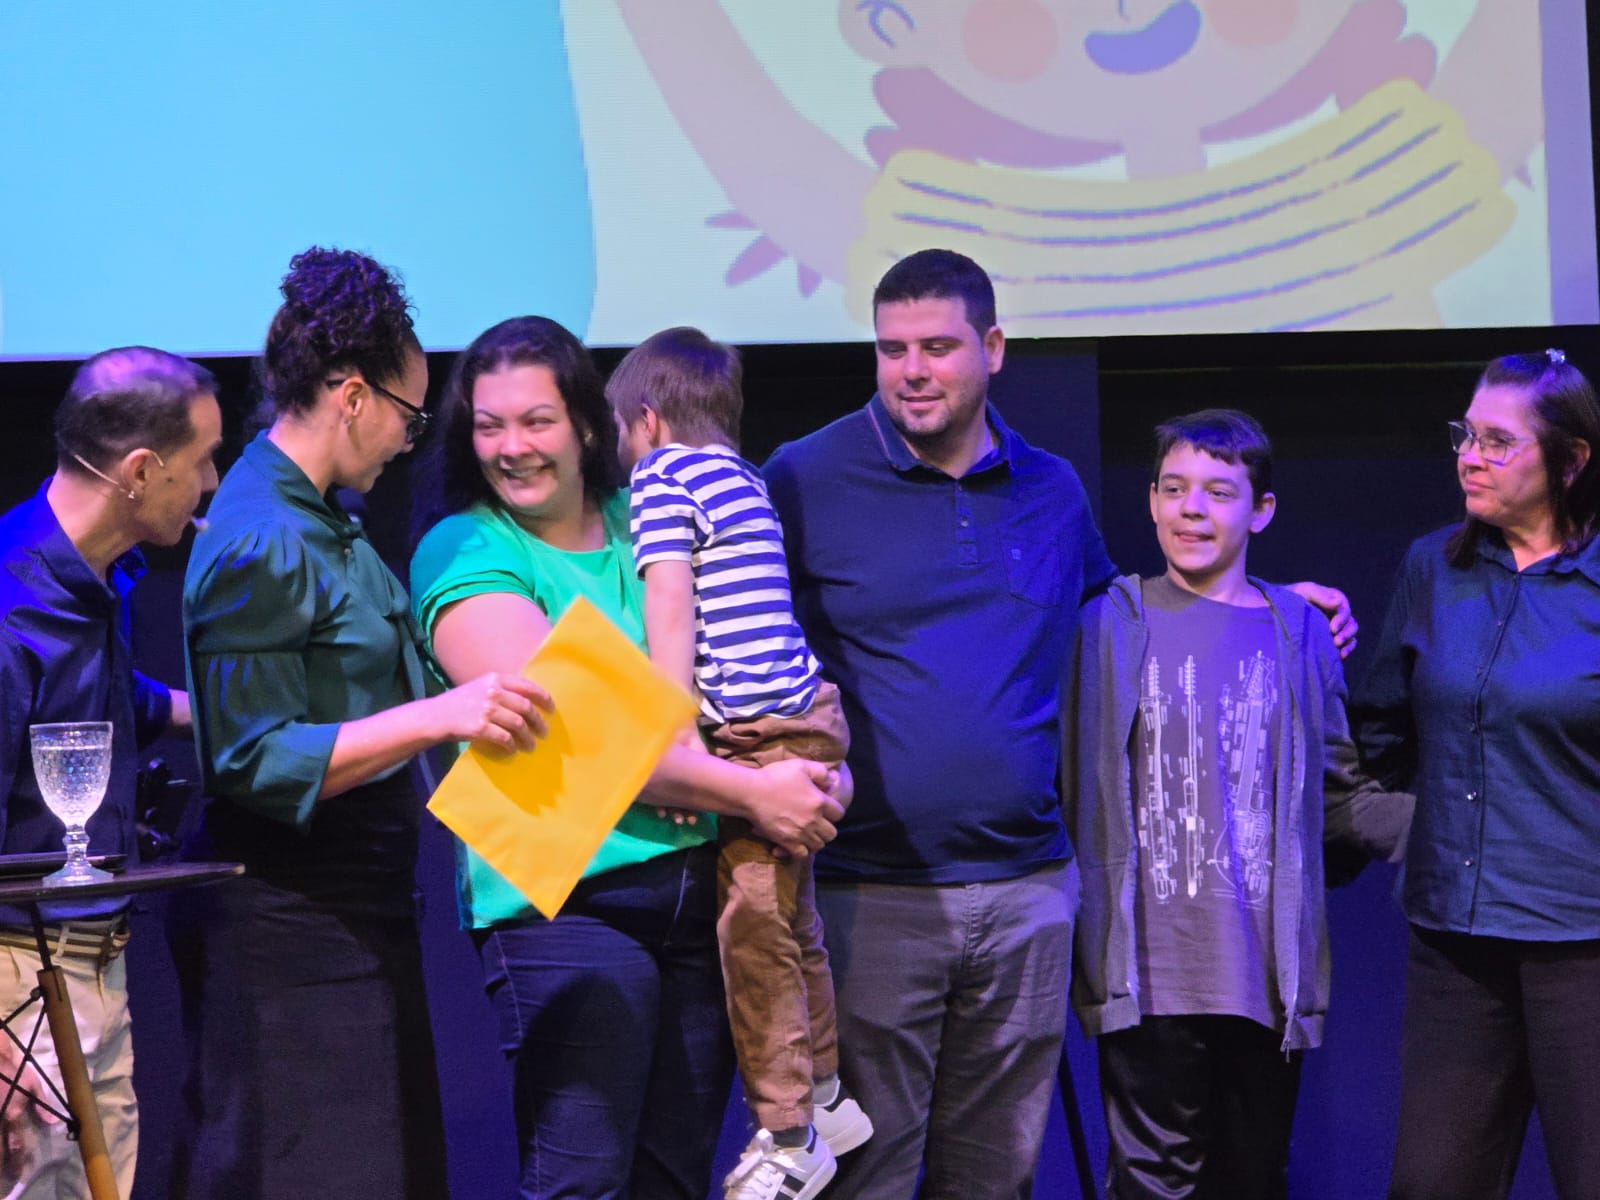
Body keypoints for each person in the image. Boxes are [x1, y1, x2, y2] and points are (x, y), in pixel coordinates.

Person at [763, 247, 1357, 1199]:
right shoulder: (803, 476)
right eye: (891, 348)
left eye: (937, 347)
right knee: (866, 1178)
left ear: (993, 348)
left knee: (996, 1179)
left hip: (1029, 894)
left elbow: (1135, 623)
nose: (911, 370)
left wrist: (1276, 608)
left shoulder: (1051, 489)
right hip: (872, 895)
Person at [408, 315, 846, 1199]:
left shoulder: (648, 513)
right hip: (570, 906)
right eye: (489, 425)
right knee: (584, 1185)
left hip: (700, 894)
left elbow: (755, 656)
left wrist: (816, 763)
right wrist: (755, 792)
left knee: (673, 1182)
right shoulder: (466, 546)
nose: (512, 446)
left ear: (587, 423)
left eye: (536, 420)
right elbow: (578, 731)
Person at [170, 248, 550, 1198]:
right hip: (289, 925)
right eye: (408, 417)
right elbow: (252, 758)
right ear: (351, 397)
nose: (407, 442)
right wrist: (436, 716)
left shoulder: (321, 519)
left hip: (355, 905)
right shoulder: (262, 537)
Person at [1066, 409, 1411, 1199]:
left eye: (1219, 492)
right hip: (1148, 978)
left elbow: (1338, 795)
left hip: (1263, 979)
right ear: (1150, 500)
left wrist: (1450, 827)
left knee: (1253, 1180)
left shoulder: (1300, 633)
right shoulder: (1104, 624)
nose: (1191, 509)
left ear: (1261, 510)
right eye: (1174, 488)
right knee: (1152, 1183)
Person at [608, 326, 873, 1200]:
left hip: (760, 733)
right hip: (809, 716)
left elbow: (670, 601)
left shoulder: (662, 476)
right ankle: (827, 1096)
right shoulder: (745, 476)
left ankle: (789, 1134)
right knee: (794, 924)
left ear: (647, 420)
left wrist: (673, 724)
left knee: (751, 932)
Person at [1355, 350, 1600, 1200]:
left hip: (1584, 947)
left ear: (1570, 459)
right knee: (1431, 1185)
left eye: (1499, 442)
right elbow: (1379, 729)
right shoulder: (1434, 567)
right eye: (1466, 435)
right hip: (1456, 943)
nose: (1470, 456)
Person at [0, 346, 222, 1197]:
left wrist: (224, 718)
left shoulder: (91, 579)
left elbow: (100, 707)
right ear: (140, 471)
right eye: (202, 460)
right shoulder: (14, 605)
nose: (210, 483)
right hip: (21, 977)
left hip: (92, 961)